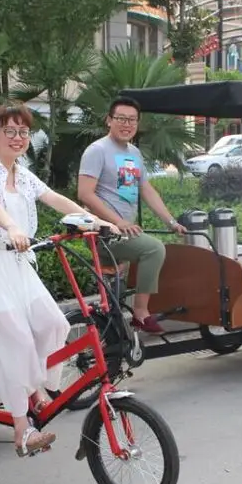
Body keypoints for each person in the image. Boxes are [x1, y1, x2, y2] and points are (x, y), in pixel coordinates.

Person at [0, 103, 119, 457]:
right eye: (10, 132)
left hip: (17, 266)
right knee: (14, 341)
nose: (17, 138)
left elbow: (55, 199)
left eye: (23, 132)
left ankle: (37, 388)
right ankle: (22, 429)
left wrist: (97, 221)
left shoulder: (23, 172)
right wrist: (13, 227)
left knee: (52, 325)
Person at [76, 96, 186, 334]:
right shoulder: (97, 151)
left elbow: (146, 190)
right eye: (121, 119)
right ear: (109, 120)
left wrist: (171, 221)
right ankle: (141, 312)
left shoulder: (134, 153)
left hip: (124, 232)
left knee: (115, 297)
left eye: (132, 120)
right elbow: (85, 194)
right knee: (154, 249)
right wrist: (117, 222)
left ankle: (114, 343)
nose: (126, 124)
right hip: (105, 232)